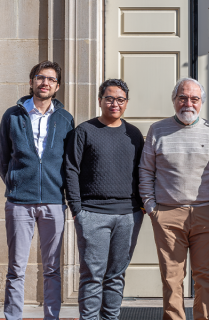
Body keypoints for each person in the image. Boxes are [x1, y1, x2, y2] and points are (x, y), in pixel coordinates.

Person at [139, 78, 209, 320]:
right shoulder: (157, 130)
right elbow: (146, 171)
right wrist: (151, 207)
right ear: (174, 100)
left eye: (194, 99)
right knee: (171, 277)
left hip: (208, 213)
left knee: (206, 277)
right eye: (182, 98)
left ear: (201, 102)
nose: (187, 103)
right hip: (168, 215)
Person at [0, 61, 74, 320]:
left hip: (53, 201)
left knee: (52, 268)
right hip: (19, 202)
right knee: (16, 268)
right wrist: (16, 183)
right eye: (40, 78)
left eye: (51, 80)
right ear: (31, 82)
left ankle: (51, 317)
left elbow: (69, 161)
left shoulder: (65, 119)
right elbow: (2, 157)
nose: (45, 83)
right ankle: (13, 317)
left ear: (57, 87)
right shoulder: (13, 115)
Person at [65, 79, 144, 320]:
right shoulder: (84, 131)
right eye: (109, 98)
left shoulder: (134, 134)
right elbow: (70, 170)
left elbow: (143, 171)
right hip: (92, 213)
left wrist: (140, 207)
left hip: (128, 215)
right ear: (100, 100)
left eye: (120, 99)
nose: (114, 104)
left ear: (126, 103)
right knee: (92, 275)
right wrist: (77, 209)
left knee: (116, 275)